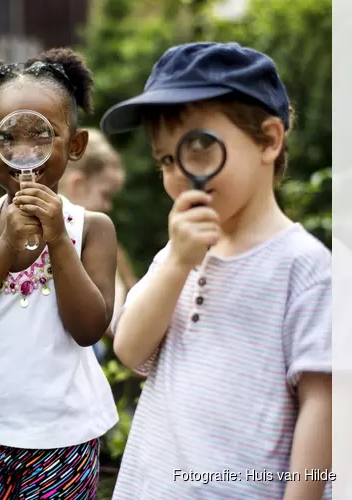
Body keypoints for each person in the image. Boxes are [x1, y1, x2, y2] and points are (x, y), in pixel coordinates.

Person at [100, 42, 332, 499]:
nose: (179, 174)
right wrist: (180, 262)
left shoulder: (305, 268)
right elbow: (128, 348)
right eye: (166, 160)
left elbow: (323, 407)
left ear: (268, 139)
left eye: (198, 148)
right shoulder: (178, 253)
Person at [0, 48, 119, 499]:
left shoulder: (91, 229)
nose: (26, 154)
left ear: (75, 146)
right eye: (8, 139)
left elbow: (88, 329)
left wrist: (58, 239)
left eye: (42, 137)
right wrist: (3, 249)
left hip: (66, 435)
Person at [59, 128, 138, 360]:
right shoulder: (73, 245)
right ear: (78, 185)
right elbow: (109, 320)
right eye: (105, 195)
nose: (108, 206)